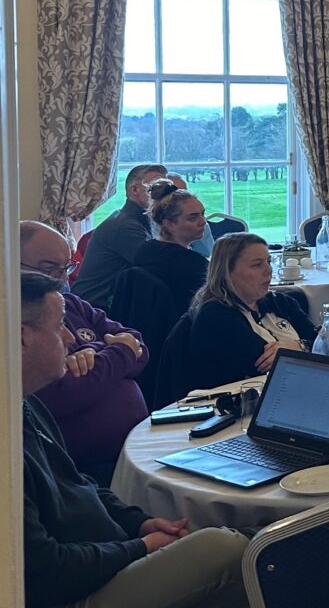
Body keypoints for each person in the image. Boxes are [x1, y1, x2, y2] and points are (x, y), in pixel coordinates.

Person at [19, 272, 262, 608]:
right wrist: (141, 547)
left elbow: (79, 483)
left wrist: (138, 523)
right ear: (22, 338)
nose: (71, 338)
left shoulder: (23, 403)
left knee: (253, 570)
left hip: (82, 581)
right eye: (59, 325)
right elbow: (46, 573)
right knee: (226, 549)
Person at [20, 222, 150, 487]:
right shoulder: (19, 320)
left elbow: (139, 348)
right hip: (83, 472)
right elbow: (62, 392)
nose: (61, 279)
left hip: (134, 449)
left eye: (66, 268)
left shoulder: (71, 303)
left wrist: (94, 353)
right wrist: (119, 351)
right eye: (49, 268)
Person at [182, 233, 316, 393]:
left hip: (295, 389)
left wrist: (299, 345)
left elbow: (327, 344)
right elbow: (271, 365)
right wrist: (307, 347)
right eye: (257, 265)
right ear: (228, 272)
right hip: (243, 401)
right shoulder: (215, 317)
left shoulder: (280, 302)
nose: (268, 270)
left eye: (269, 261)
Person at [72, 162, 168, 310]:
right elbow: (159, 267)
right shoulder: (125, 226)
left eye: (167, 188)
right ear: (134, 190)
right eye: (157, 188)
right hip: (95, 310)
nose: (167, 195)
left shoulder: (138, 220)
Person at [130, 179, 209, 319]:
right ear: (169, 224)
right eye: (193, 218)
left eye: (203, 214)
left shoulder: (145, 250)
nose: (203, 222)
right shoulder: (193, 264)